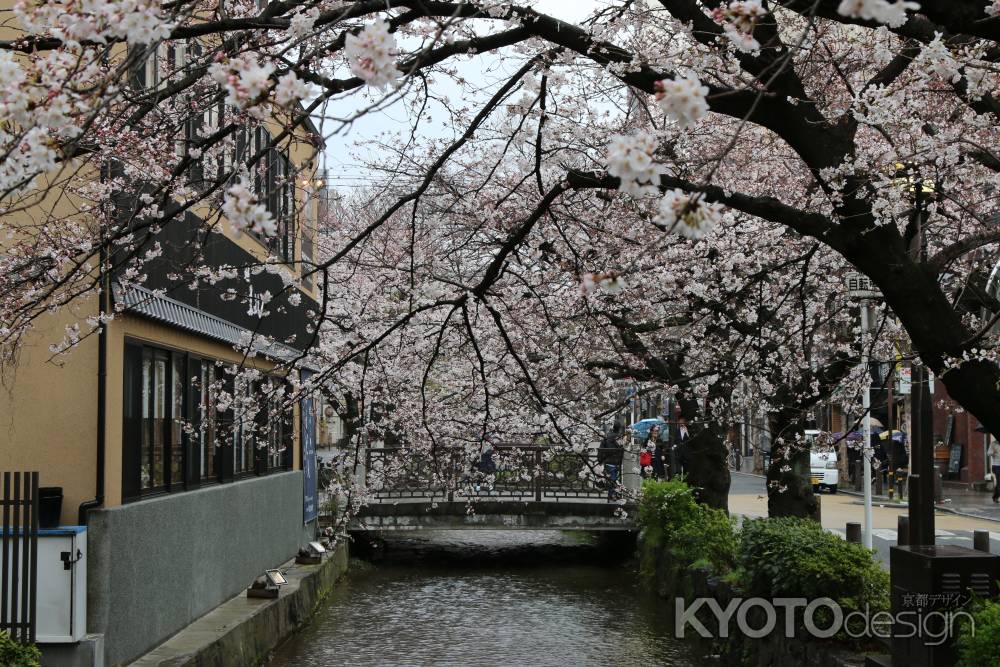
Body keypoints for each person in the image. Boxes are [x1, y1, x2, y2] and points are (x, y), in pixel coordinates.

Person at [598, 429, 624, 500]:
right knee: (614, 478)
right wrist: (620, 461)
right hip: (616, 462)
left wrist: (600, 460)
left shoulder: (606, 439)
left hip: (608, 462)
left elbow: (601, 450)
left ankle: (612, 495)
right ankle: (613, 495)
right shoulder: (619, 438)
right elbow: (621, 450)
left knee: (611, 479)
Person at [990, 439, 1000, 504]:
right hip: (996, 466)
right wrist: (993, 451)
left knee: (999, 482)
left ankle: (995, 496)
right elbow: (988, 453)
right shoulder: (993, 444)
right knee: (999, 481)